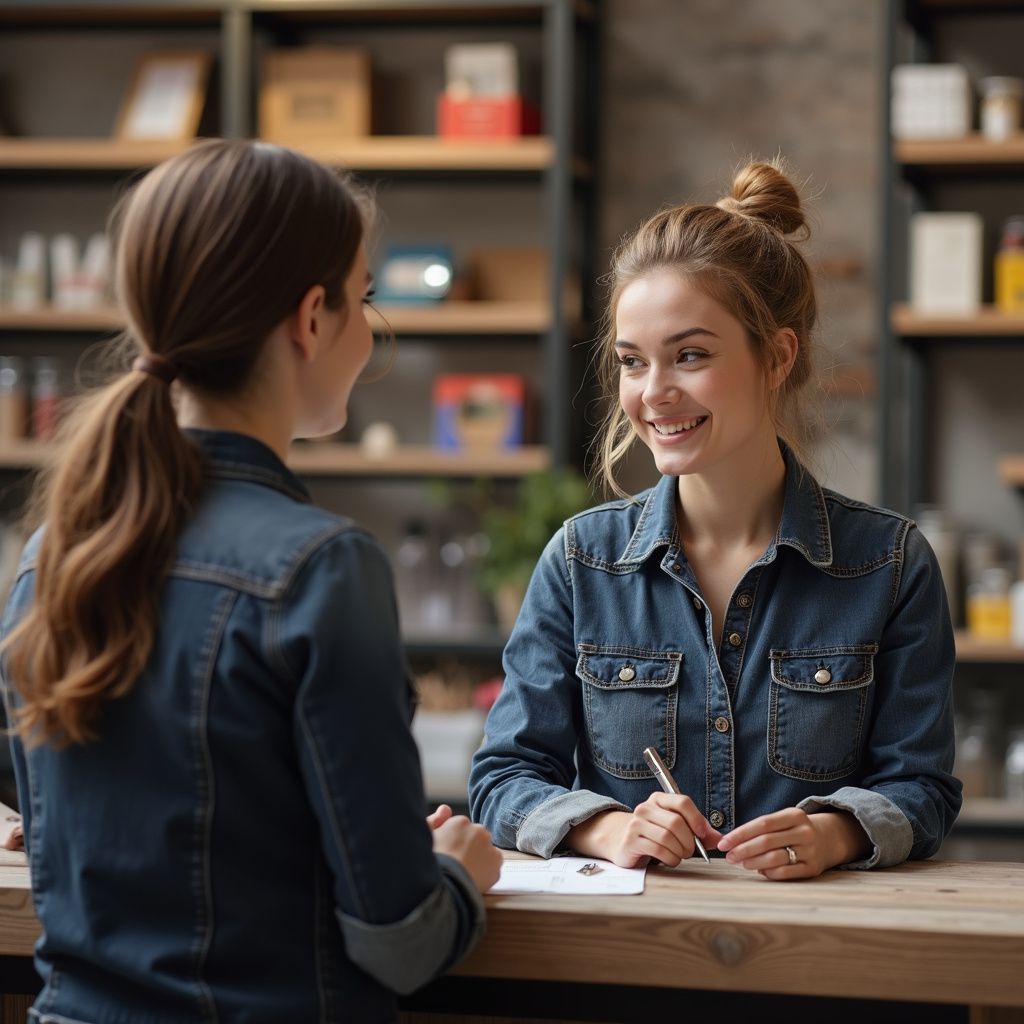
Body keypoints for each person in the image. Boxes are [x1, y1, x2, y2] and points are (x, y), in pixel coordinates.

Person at [0, 139, 501, 1022]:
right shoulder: (321, 568)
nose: (368, 329)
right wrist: (461, 870)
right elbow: (403, 939)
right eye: (366, 299)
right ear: (311, 319)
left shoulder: (54, 550)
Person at [470, 160, 961, 880]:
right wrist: (609, 829)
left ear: (777, 357)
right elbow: (503, 778)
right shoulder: (581, 561)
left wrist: (834, 834)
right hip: (629, 964)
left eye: (690, 355)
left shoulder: (889, 564)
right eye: (633, 363)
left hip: (823, 961)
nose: (654, 393)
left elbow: (923, 787)